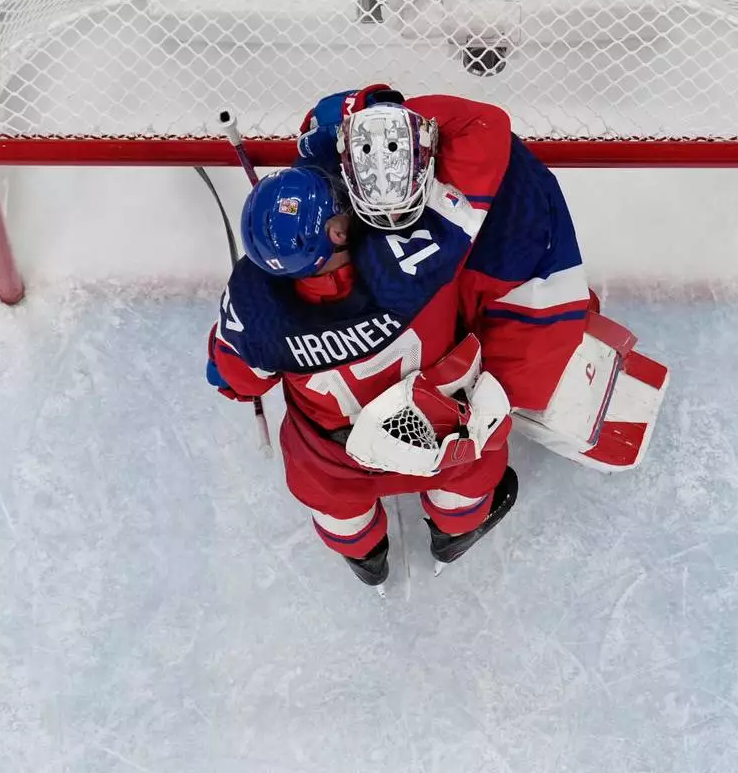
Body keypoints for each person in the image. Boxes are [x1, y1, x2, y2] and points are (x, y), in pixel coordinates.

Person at [207, 87, 599, 588]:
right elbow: (483, 128)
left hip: (334, 459)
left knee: (333, 503)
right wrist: (379, 119)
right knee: (468, 475)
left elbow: (231, 379)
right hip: (439, 436)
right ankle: (454, 531)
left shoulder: (253, 313)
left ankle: (365, 557)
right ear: (340, 233)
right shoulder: (421, 264)